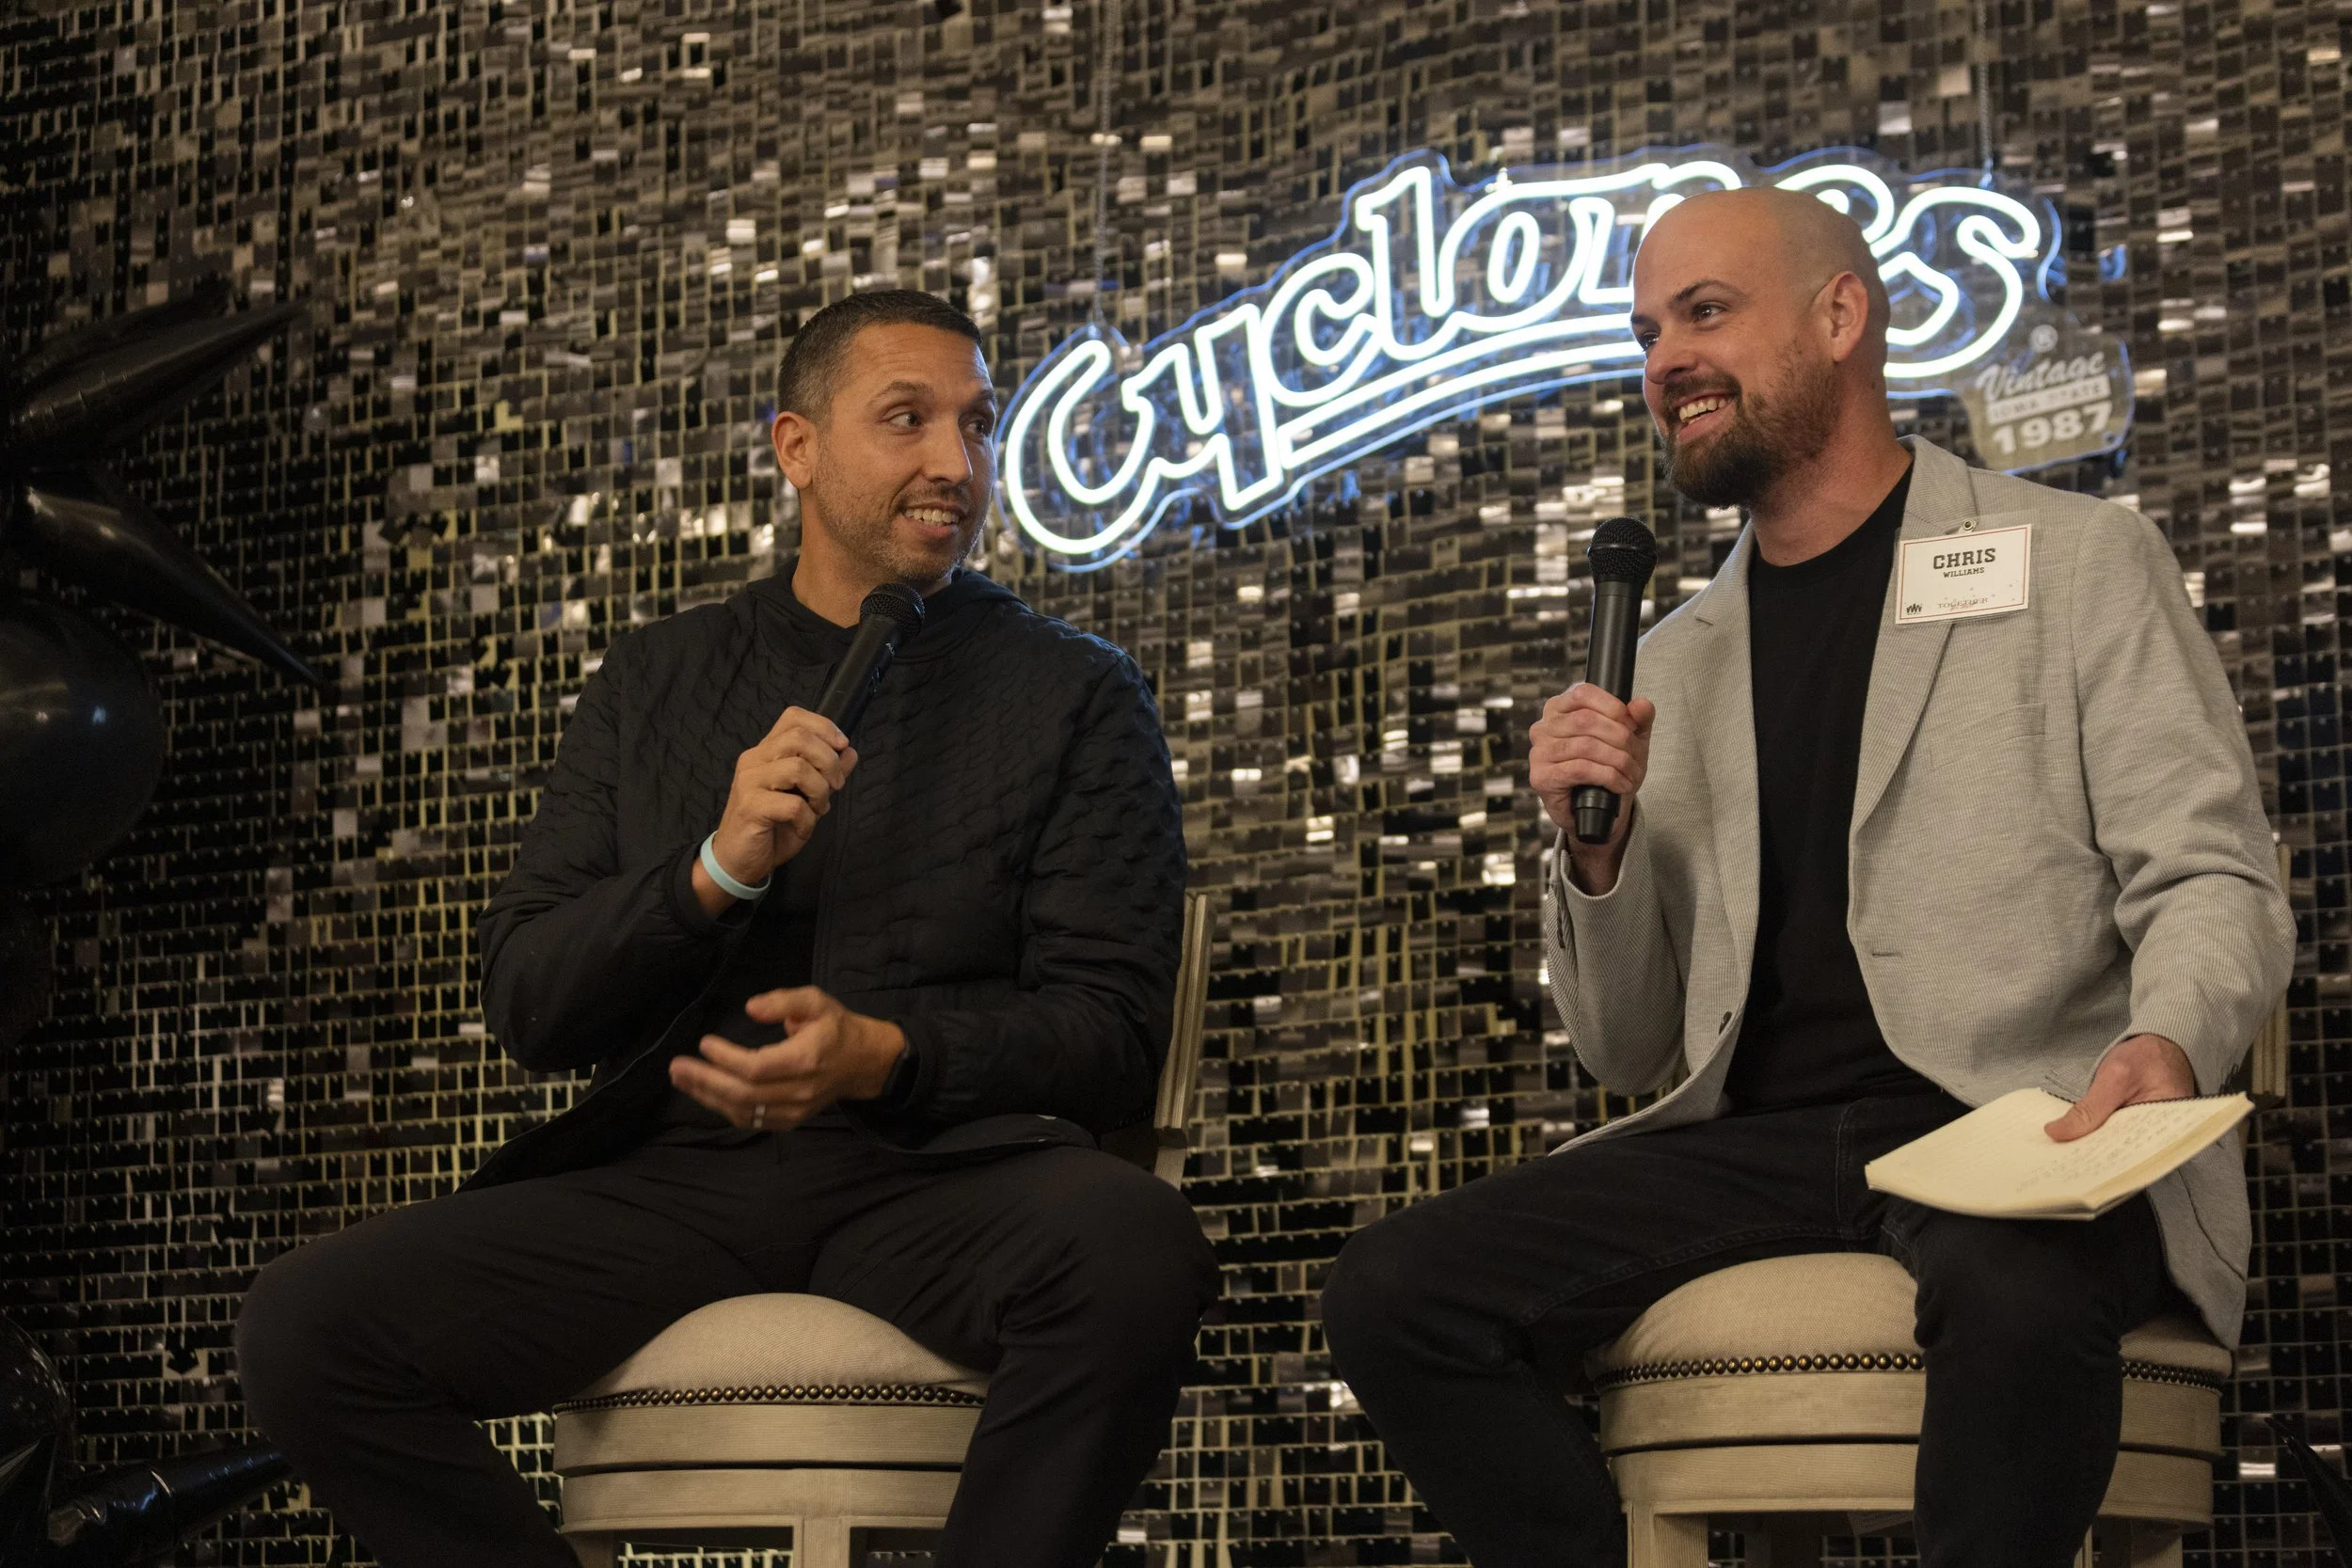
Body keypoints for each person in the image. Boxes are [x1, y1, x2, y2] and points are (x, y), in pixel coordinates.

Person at [1319, 188, 2295, 1566]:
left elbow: (2211, 875)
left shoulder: (2074, 561)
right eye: (1647, 333)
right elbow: (1628, 1047)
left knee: (2016, 1294)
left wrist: (2167, 1040)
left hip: (2018, 1127)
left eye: (1706, 313)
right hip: (1762, 1143)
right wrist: (1595, 852)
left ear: (1842, 316)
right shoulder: (1669, 659)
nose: (1666, 361)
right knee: (1393, 1291)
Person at [234, 290, 1219, 1568]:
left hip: (939, 1179)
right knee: (305, 1326)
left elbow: (1113, 1034)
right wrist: (710, 872)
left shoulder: (1076, 691)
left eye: (977, 424)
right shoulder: (655, 679)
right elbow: (530, 1000)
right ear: (795, 447)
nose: (957, 461)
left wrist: (884, 1054)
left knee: (1136, 1248)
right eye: (907, 419)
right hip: (674, 1185)